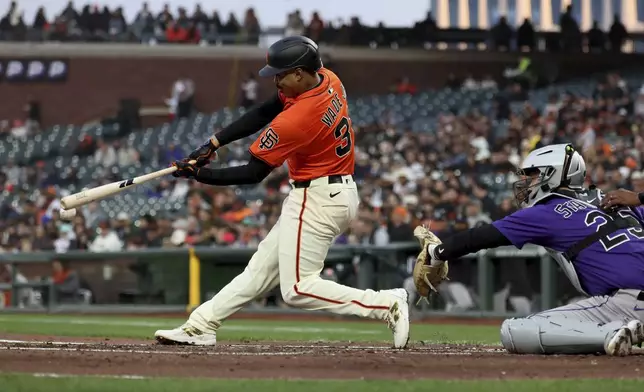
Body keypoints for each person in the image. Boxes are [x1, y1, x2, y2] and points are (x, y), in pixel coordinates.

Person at [154, 36, 410, 348]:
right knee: (259, 271)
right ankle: (201, 326)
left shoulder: (299, 119)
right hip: (331, 191)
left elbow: (252, 173)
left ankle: (385, 304)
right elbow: (265, 110)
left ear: (300, 73)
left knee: (298, 289)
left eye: (281, 74)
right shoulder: (328, 79)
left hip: (317, 198)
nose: (276, 80)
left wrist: (198, 174)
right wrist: (214, 143)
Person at [413, 143, 644, 356]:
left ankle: (613, 332)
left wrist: (437, 253)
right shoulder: (618, 200)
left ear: (552, 175)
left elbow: (483, 237)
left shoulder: (547, 211)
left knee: (514, 330)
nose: (526, 182)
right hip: (632, 296)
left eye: (533, 174)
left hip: (629, 301)